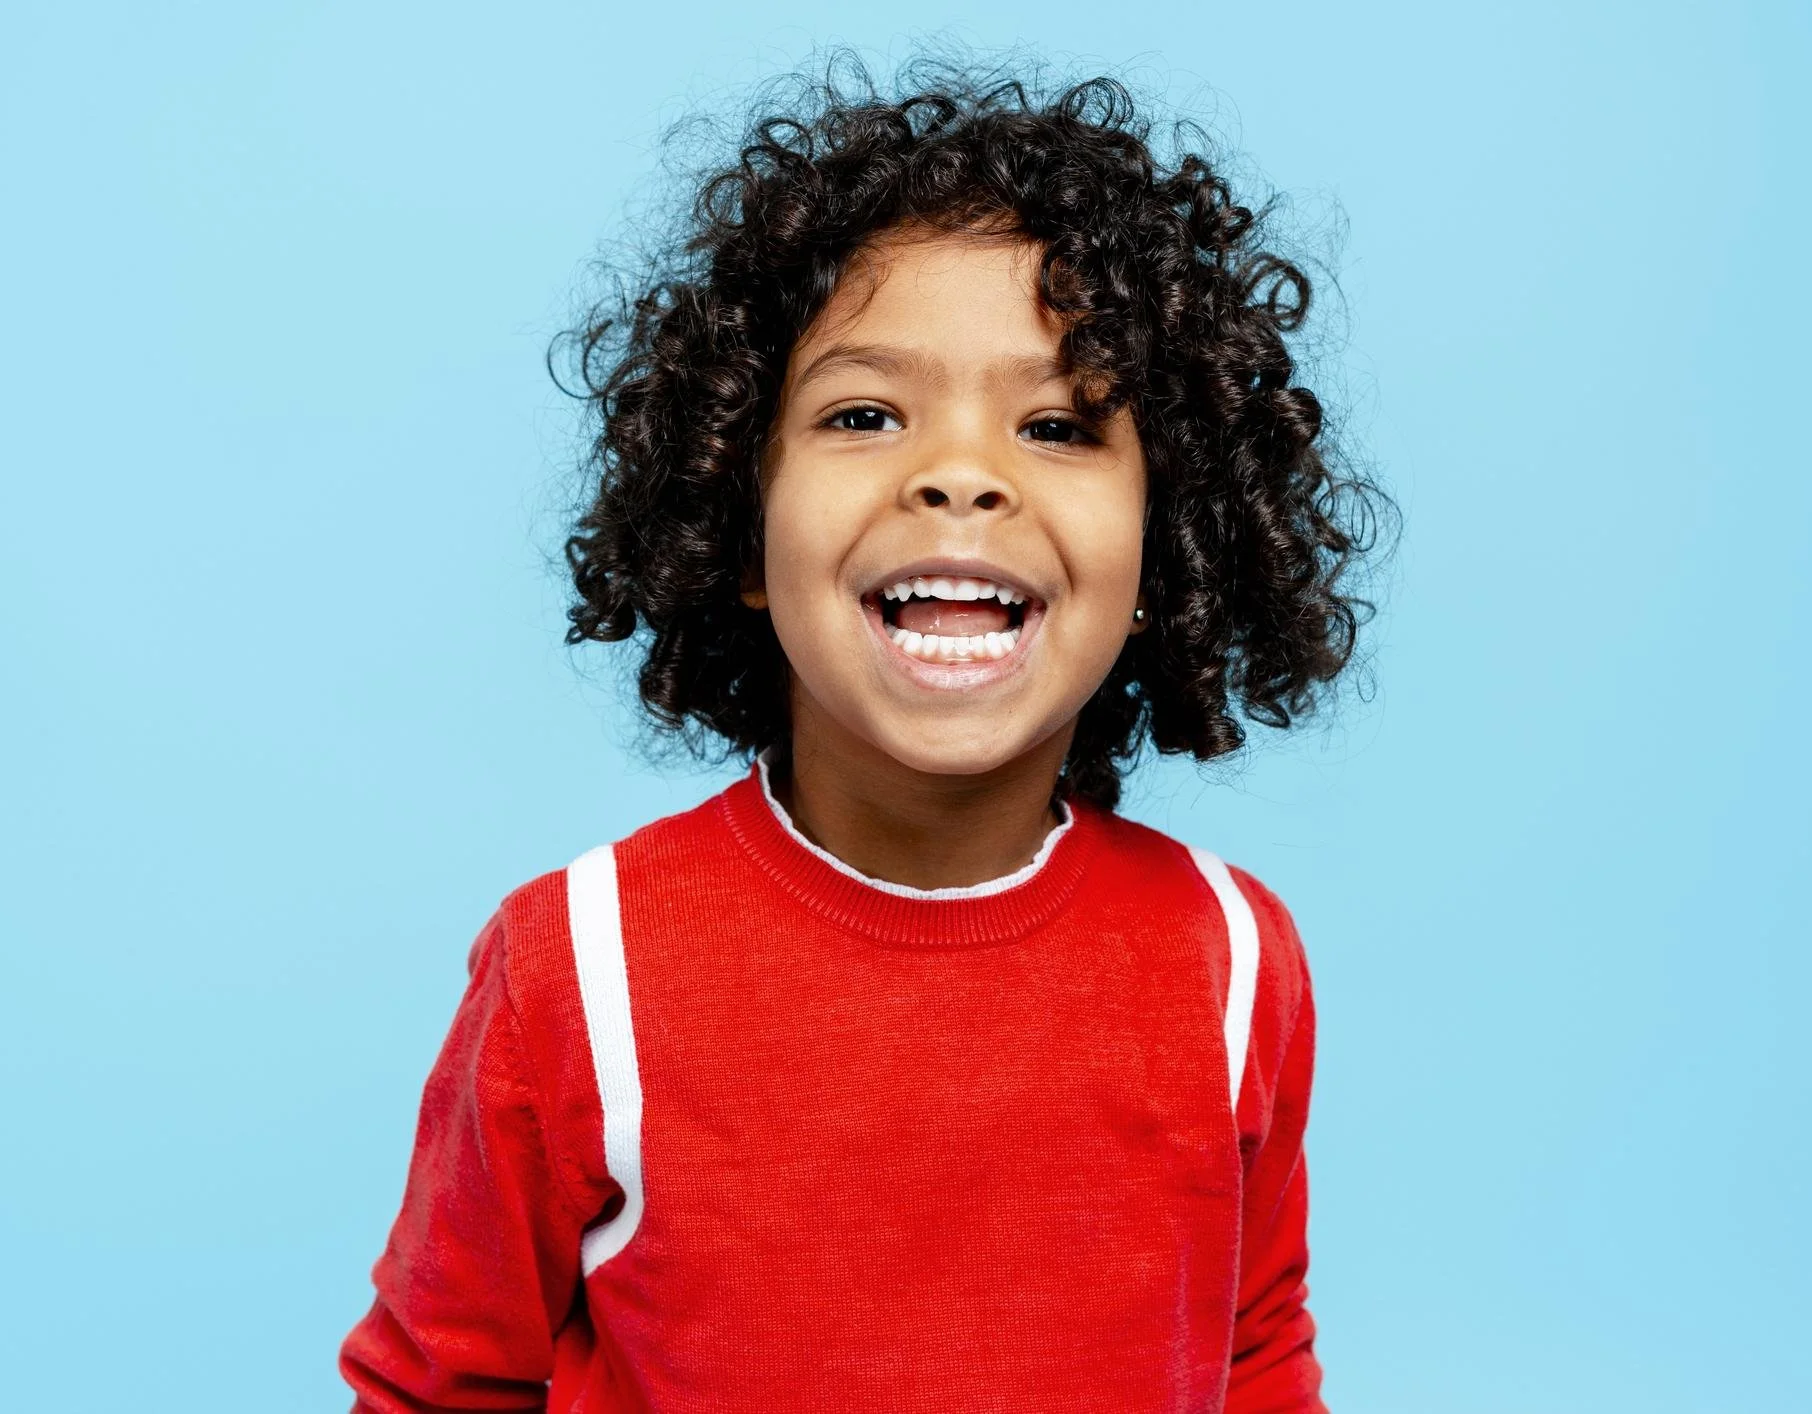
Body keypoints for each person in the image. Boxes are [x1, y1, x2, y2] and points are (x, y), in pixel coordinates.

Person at [339, 60, 1381, 1414]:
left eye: (1056, 423)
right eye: (865, 414)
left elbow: (1255, 1353)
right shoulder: (577, 967)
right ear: (740, 527)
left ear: (1164, 554)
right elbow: (437, 1385)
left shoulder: (1233, 957)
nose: (961, 475)